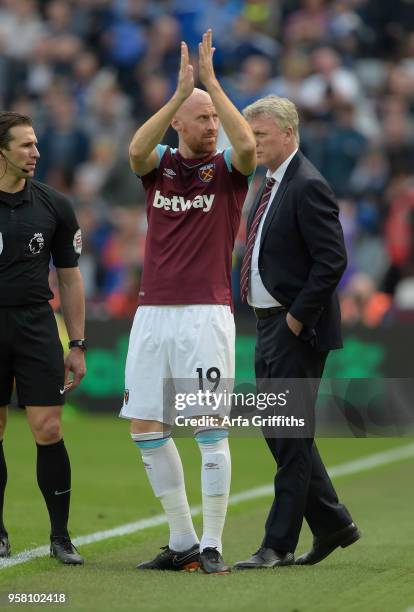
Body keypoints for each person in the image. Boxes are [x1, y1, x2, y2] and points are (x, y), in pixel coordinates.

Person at [120, 30, 256, 574]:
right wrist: (179, 96)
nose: (212, 125)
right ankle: (181, 540)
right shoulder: (160, 168)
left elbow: (247, 147)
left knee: (207, 427)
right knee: (146, 427)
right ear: (178, 123)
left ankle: (213, 543)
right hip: (152, 312)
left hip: (205, 311)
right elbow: (135, 151)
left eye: (215, 119)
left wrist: (213, 88)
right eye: (202, 119)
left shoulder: (226, 172)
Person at [234, 95, 360, 569]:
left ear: (288, 133)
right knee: (283, 434)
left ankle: (278, 544)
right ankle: (333, 525)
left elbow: (333, 260)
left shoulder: (307, 184)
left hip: (294, 329)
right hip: (267, 325)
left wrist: (296, 317)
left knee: (289, 438)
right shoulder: (271, 183)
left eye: (261, 135)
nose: (254, 143)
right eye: (251, 135)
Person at [0, 111, 86, 565]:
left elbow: (71, 280)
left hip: (36, 325)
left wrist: (77, 344)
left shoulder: (54, 205)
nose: (36, 153)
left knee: (48, 428)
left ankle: (60, 536)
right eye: (25, 146)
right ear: (2, 151)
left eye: (36, 144)